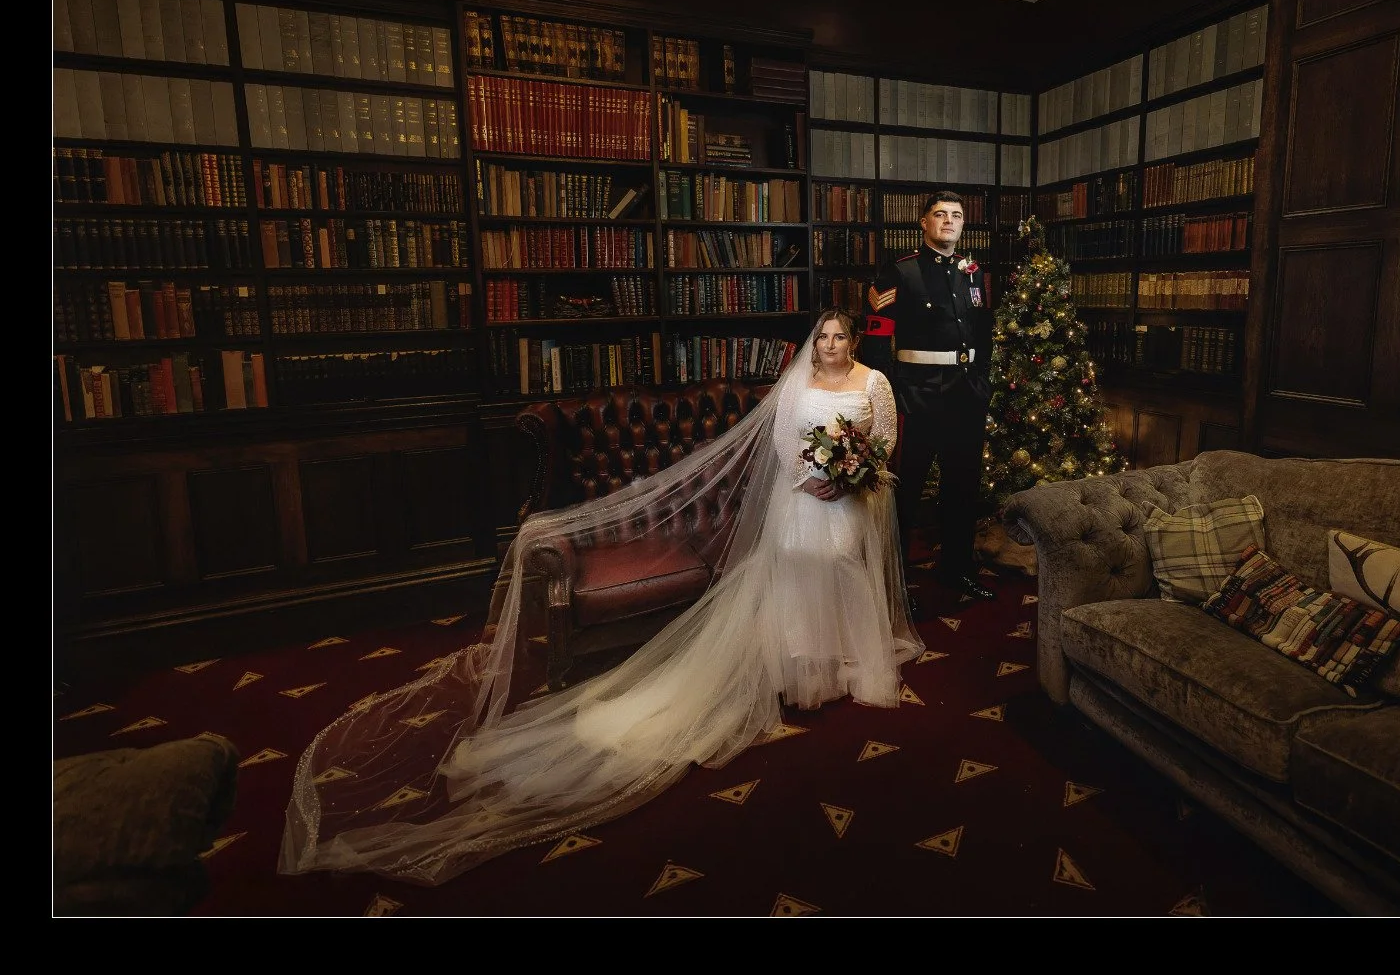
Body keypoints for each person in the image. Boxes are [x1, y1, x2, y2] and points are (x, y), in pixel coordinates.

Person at [278, 308, 921, 886]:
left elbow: (885, 440)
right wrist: (814, 479)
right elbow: (783, 443)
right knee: (797, 571)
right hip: (803, 497)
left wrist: (848, 476)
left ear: (854, 341)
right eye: (824, 337)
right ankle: (801, 662)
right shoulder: (796, 384)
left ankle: (844, 657)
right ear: (817, 342)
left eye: (840, 337)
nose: (831, 345)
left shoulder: (874, 383)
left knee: (843, 571)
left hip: (850, 500)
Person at [861, 190, 996, 617]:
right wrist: (891, 395)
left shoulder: (972, 272)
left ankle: (955, 568)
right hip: (916, 396)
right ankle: (895, 582)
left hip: (966, 396)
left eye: (957, 215)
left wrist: (983, 383)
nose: (949, 222)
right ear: (923, 223)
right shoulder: (899, 272)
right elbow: (877, 341)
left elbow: (984, 334)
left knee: (962, 488)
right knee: (905, 493)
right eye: (940, 215)